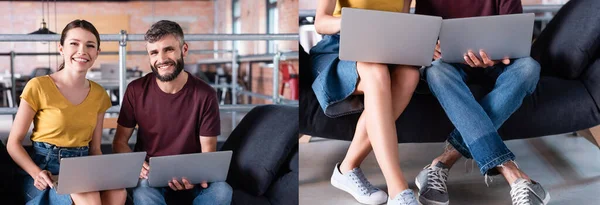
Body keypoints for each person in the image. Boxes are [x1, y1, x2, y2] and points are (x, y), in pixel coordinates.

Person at [414, 1, 549, 205]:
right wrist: (431, 47)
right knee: (436, 72)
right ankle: (513, 175)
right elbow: (425, 34)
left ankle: (442, 162)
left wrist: (496, 57)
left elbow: (515, 36)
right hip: (449, 63)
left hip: (495, 63)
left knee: (528, 68)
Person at [6, 19, 126, 205]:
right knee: (88, 196)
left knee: (118, 191)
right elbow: (13, 144)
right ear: (61, 48)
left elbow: (95, 149)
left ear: (97, 53)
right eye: (74, 44)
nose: (82, 51)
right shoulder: (38, 86)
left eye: (90, 45)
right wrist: (36, 173)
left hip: (83, 167)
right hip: (43, 171)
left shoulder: (100, 94)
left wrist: (105, 174)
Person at [311, 0, 420, 204]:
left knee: (410, 75)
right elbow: (320, 22)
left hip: (384, 48)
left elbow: (403, 25)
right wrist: (354, 23)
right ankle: (399, 190)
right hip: (339, 46)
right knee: (375, 72)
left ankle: (347, 168)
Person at [112, 20, 232, 205]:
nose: (161, 59)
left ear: (183, 49)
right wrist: (136, 165)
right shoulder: (136, 90)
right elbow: (119, 142)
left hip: (191, 173)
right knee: (144, 193)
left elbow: (208, 154)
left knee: (222, 192)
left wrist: (195, 177)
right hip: (150, 175)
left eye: (168, 49)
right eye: (154, 52)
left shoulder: (205, 94)